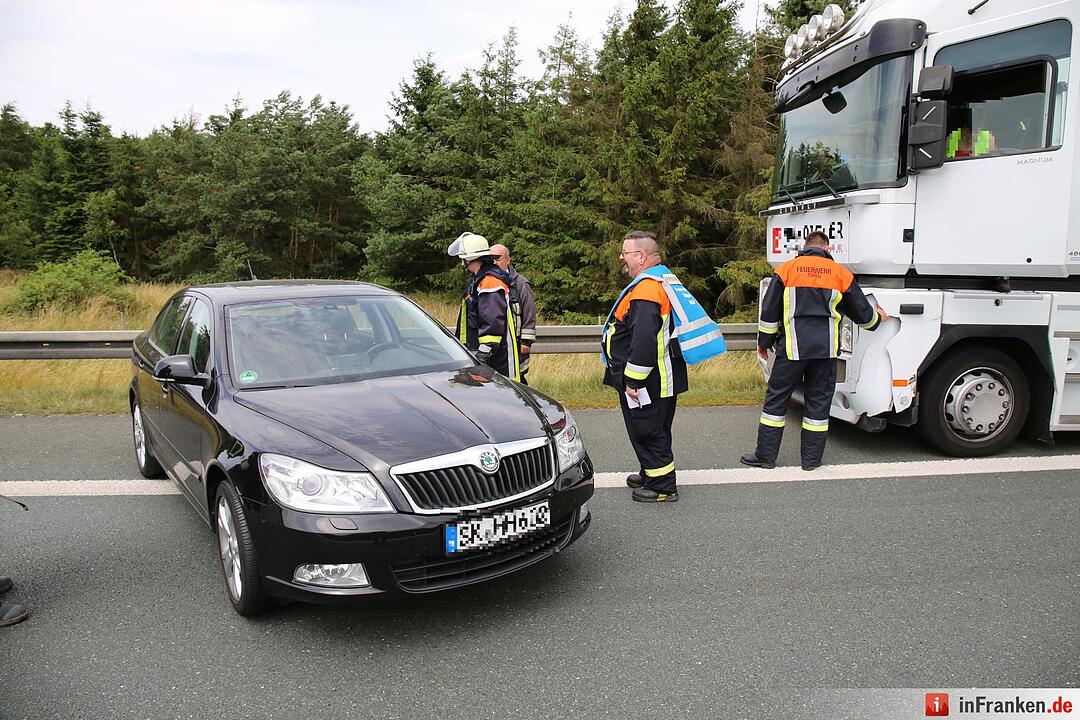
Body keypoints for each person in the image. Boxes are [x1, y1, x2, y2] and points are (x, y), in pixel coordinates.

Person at [741, 230, 888, 471]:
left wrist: (764, 343)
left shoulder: (786, 271)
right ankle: (811, 460)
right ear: (827, 249)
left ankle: (765, 457)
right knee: (818, 404)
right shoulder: (841, 274)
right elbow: (862, 314)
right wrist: (877, 319)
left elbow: (770, 313)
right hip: (825, 353)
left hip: (792, 350)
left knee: (776, 402)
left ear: (805, 247)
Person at [602, 231, 689, 503]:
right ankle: (651, 472)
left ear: (641, 257)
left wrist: (632, 380)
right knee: (655, 427)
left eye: (625, 253)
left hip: (647, 380)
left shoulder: (647, 289)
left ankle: (662, 487)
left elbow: (643, 341)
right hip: (661, 375)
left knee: (647, 429)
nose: (621, 257)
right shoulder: (661, 281)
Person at [447, 232, 521, 381]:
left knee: (498, 401)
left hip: (496, 361)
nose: (462, 263)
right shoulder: (480, 279)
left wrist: (481, 356)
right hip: (486, 358)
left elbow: (492, 325)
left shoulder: (490, 281)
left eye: (463, 258)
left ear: (470, 258)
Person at [491, 243, 536, 384]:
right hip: (497, 344)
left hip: (516, 343)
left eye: (497, 259)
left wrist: (526, 342)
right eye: (491, 259)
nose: (494, 263)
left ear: (508, 260)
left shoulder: (521, 283)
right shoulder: (488, 282)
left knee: (517, 379)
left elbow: (529, 313)